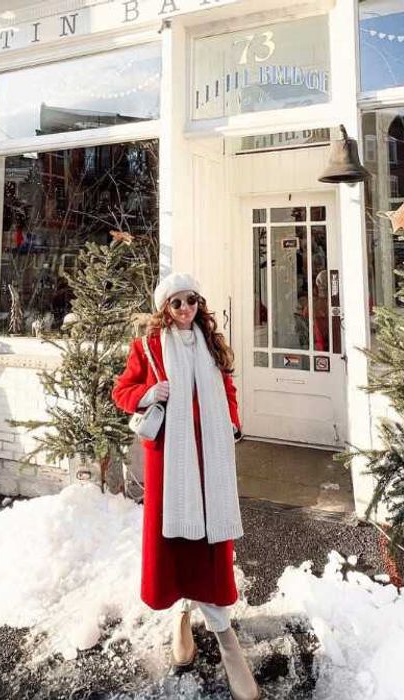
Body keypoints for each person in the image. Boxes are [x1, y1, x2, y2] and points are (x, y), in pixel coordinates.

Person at [112, 273, 259, 700]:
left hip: (210, 458)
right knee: (176, 544)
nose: (185, 310)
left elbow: (227, 386)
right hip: (170, 461)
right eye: (175, 303)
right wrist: (146, 392)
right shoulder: (148, 347)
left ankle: (224, 637)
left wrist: (231, 419)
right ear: (164, 308)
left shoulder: (211, 343)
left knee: (211, 543)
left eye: (191, 300)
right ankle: (180, 614)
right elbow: (121, 392)